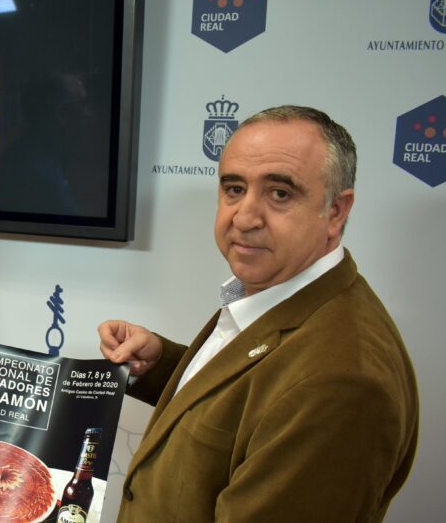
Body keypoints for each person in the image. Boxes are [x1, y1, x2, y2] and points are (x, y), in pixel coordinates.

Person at [98, 105, 419, 522]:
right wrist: (161, 364)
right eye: (234, 189)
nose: (245, 217)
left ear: (336, 211)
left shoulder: (342, 383)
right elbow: (250, 408)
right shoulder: (279, 294)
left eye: (280, 193)